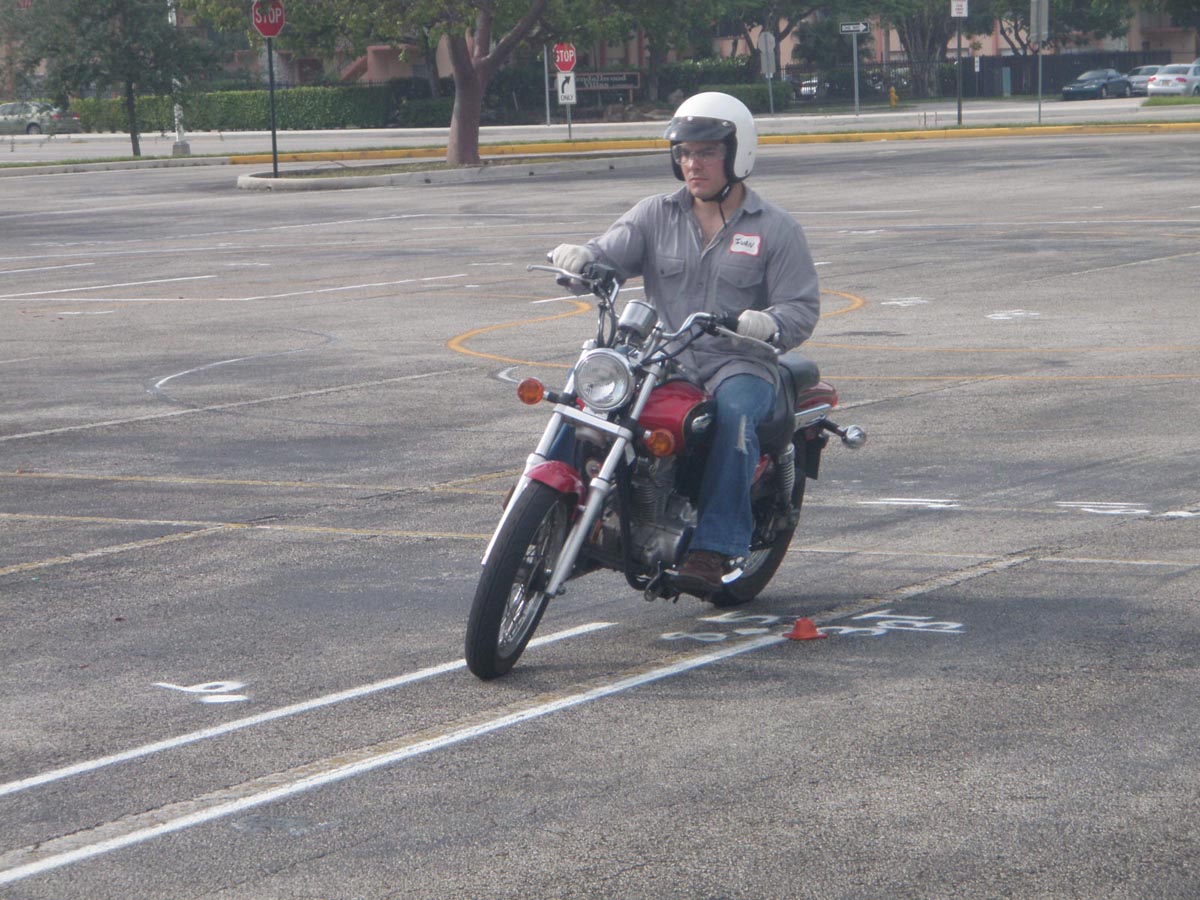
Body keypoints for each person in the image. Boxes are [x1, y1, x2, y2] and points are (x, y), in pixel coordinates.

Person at [549, 91, 820, 597]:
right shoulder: (655, 214)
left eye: (707, 152)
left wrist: (766, 323)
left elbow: (802, 308)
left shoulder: (776, 229)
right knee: (586, 384)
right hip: (664, 356)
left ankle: (713, 548)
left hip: (739, 362)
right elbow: (608, 254)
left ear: (737, 155)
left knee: (736, 413)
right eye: (685, 153)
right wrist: (582, 259)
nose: (693, 164)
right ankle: (550, 496)